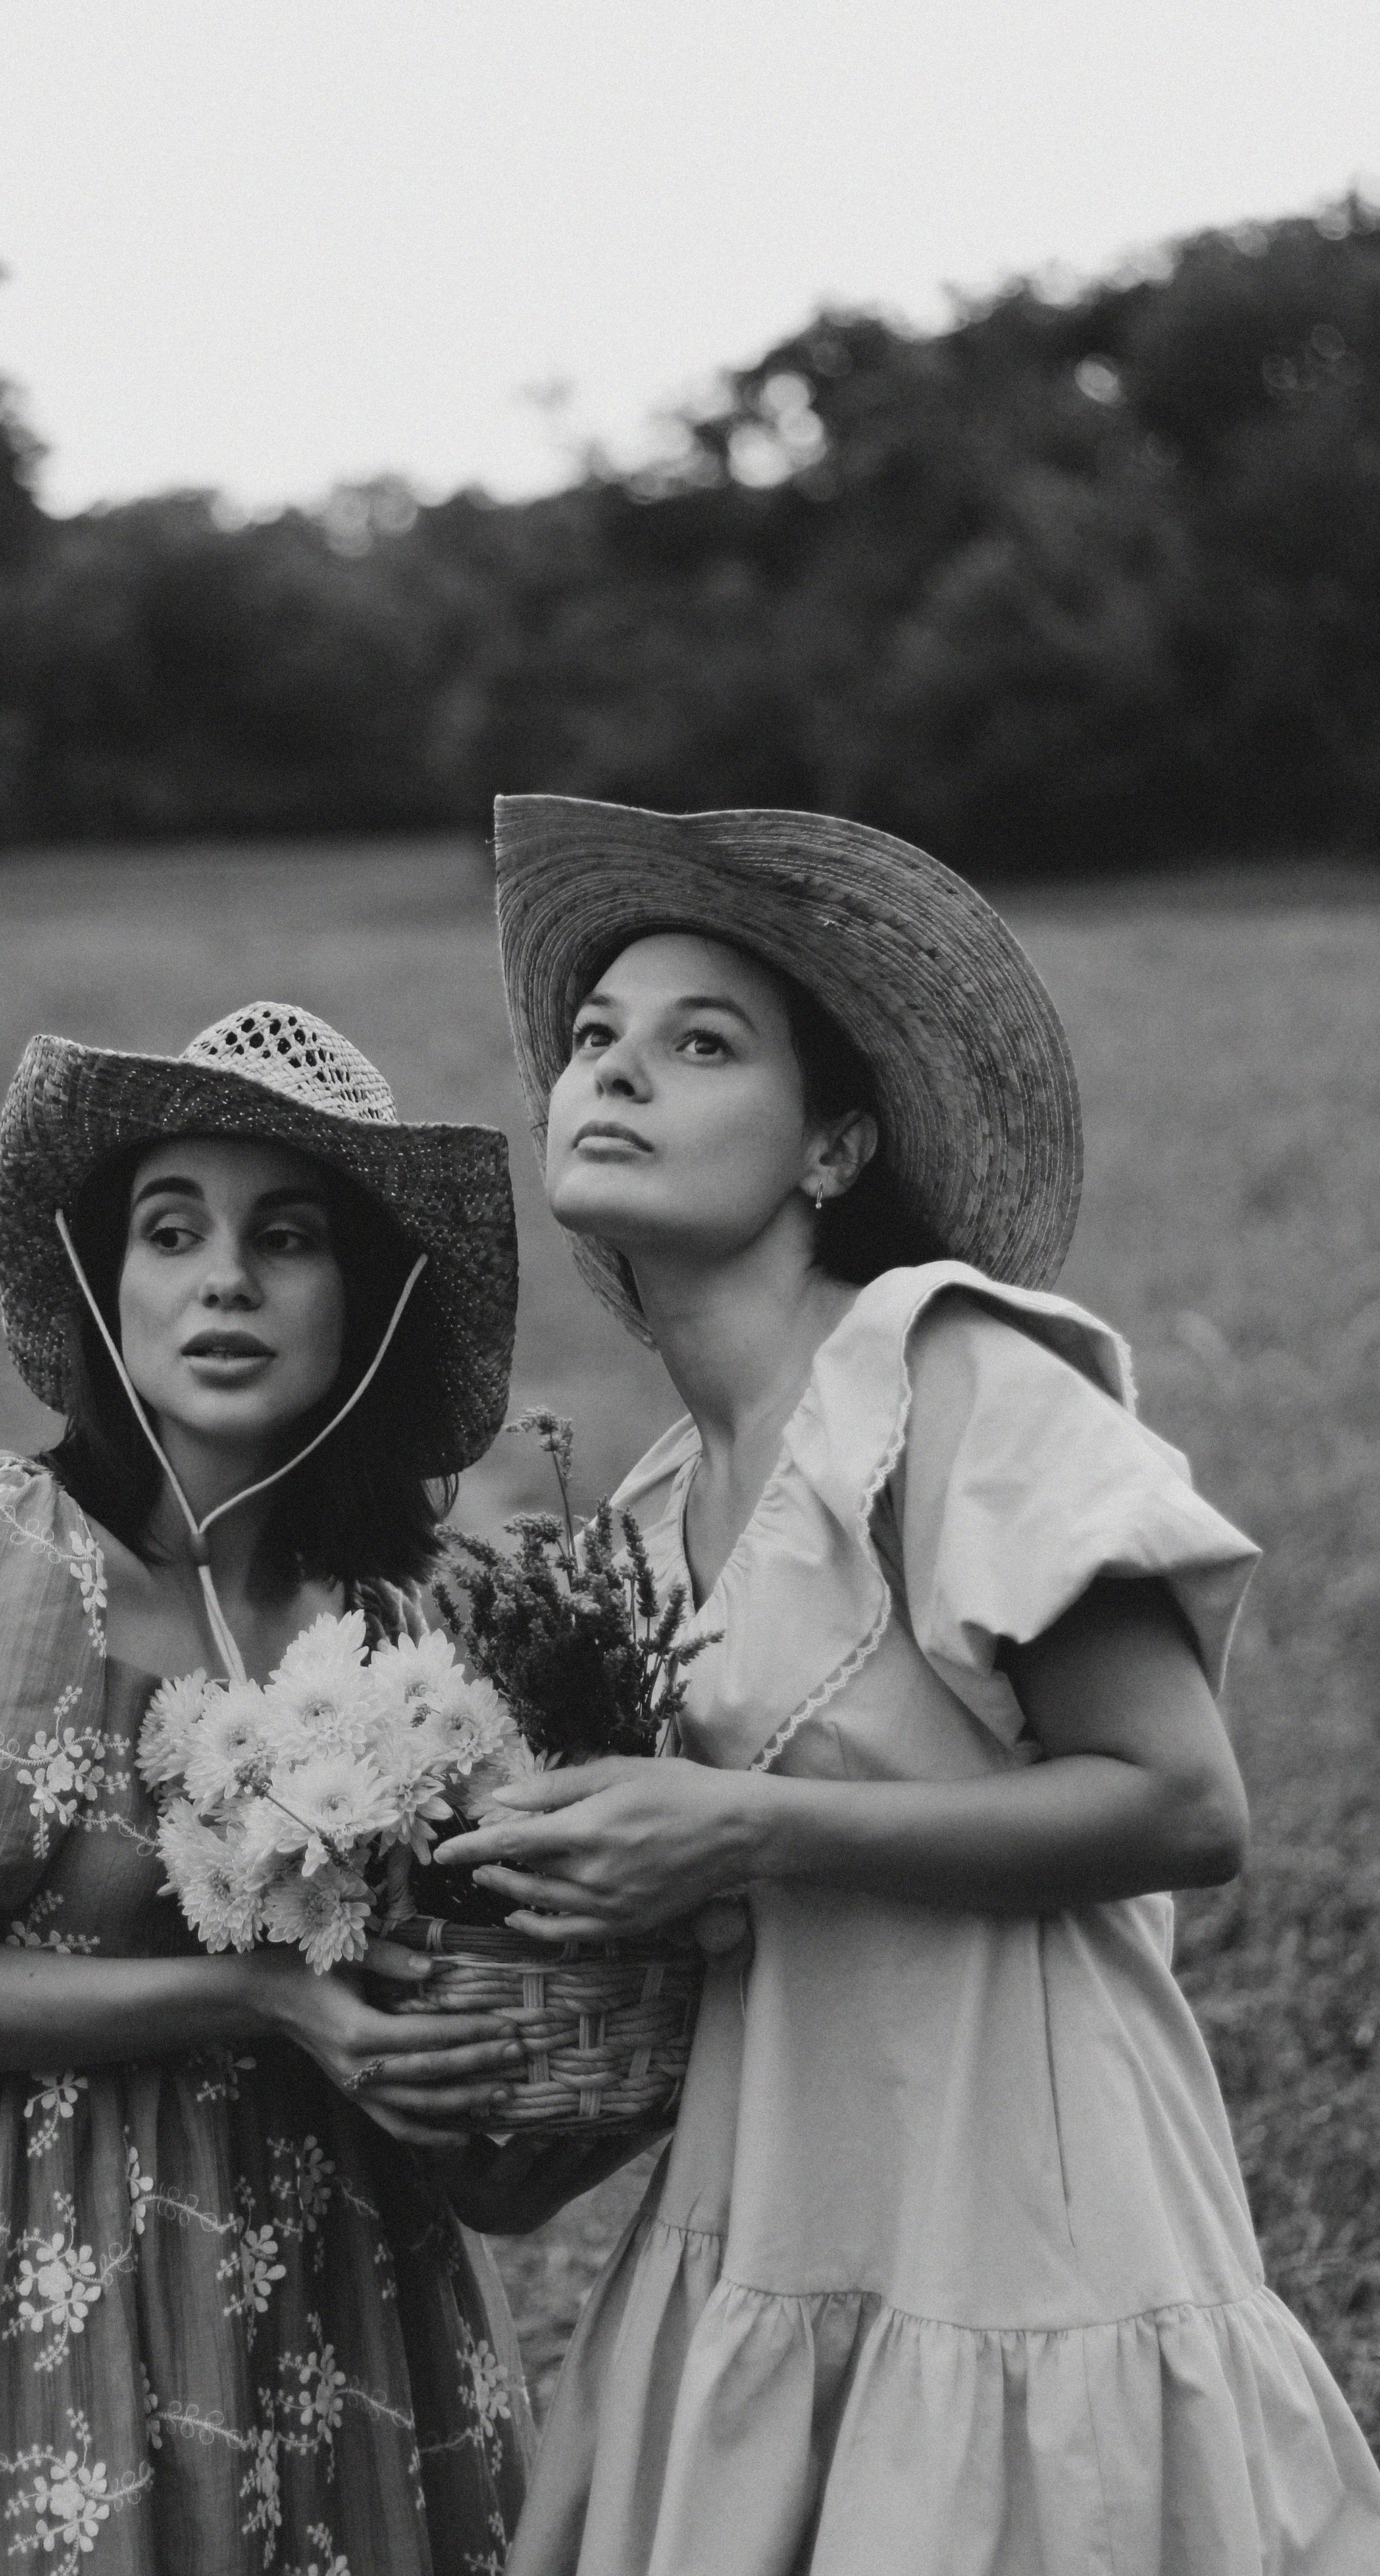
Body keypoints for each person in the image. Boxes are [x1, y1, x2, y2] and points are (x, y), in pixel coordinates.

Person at [440, 800, 1380, 2576]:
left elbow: (1186, 1802)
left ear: (832, 1143)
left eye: (700, 1042)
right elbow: (699, 1934)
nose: (617, 1072)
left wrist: (743, 1820)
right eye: (593, 1038)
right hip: (766, 2221)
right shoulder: (641, 1512)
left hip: (1020, 2228)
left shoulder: (953, 1381)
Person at [0, 1001, 534, 2576]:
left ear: (361, 1301)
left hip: (345, 2302)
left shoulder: (389, 1620)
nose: (223, 1277)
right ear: (112, 1287)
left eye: (283, 1238)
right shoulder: (3, 1555)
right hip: (56, 2289)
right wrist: (257, 1997)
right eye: (173, 1231)